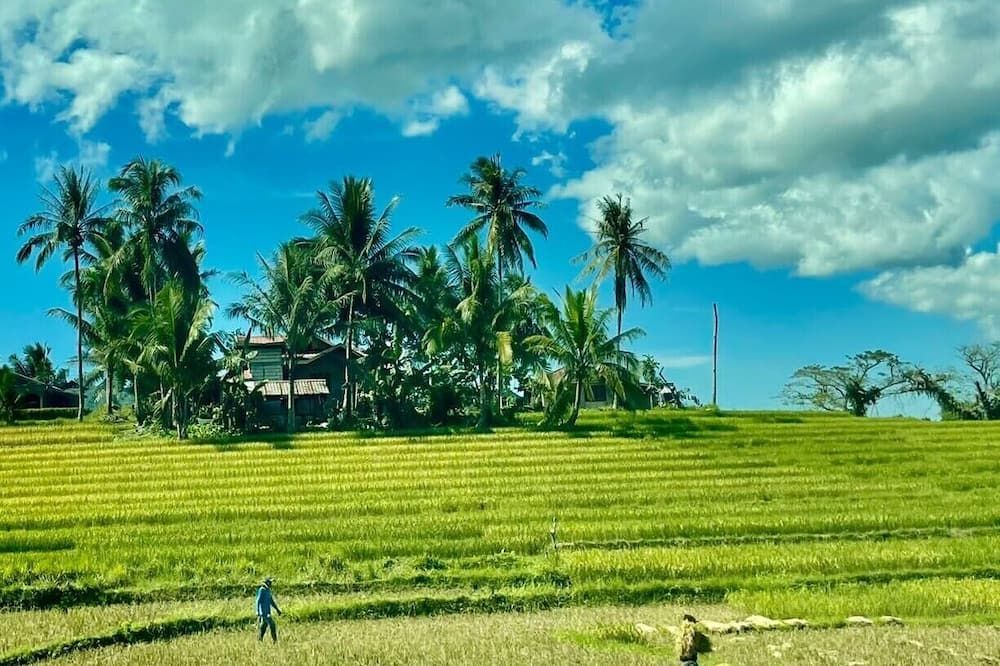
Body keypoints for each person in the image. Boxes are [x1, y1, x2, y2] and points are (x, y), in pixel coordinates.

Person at [255, 577, 283, 642]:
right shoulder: (262, 590)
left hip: (267, 612)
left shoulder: (268, 591)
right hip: (263, 612)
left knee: (264, 626)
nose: (271, 584)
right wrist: (257, 611)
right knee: (272, 625)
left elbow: (271, 601)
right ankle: (275, 641)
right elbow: (258, 601)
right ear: (267, 582)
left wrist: (277, 609)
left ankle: (260, 639)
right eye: (270, 582)